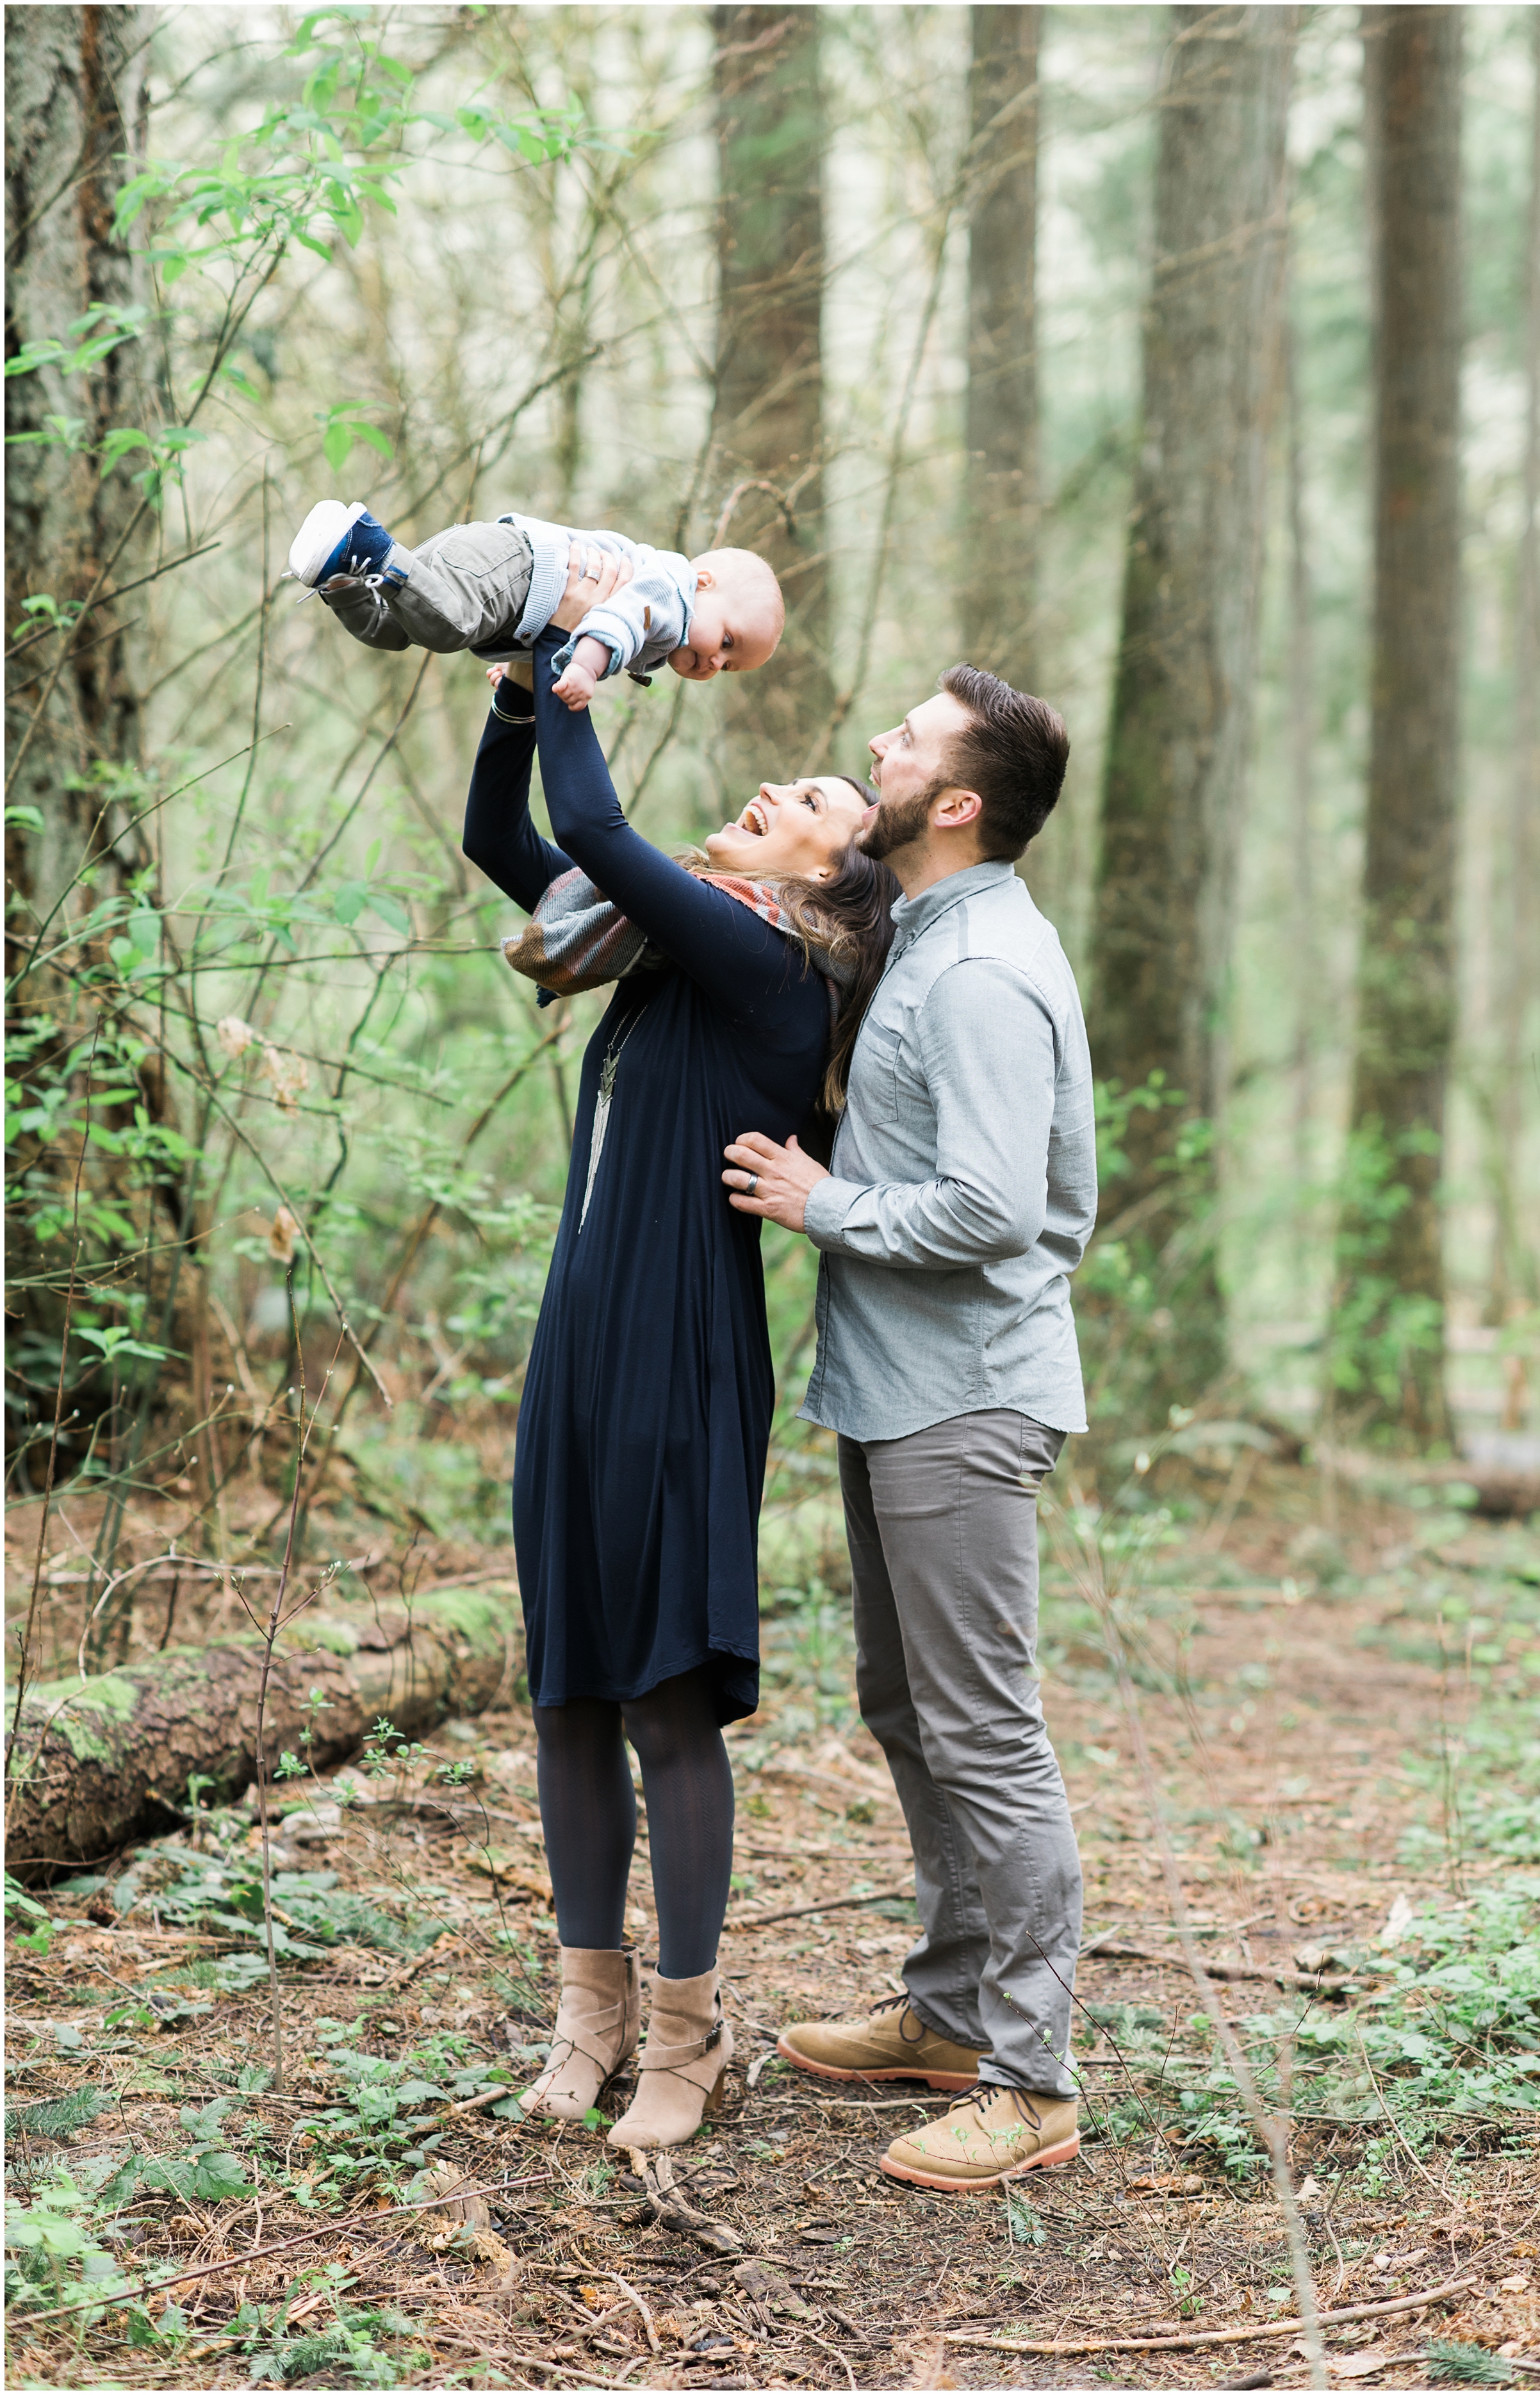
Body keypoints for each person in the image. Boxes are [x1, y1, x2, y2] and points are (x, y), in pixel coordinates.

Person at [463, 556, 896, 2151]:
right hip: (579, 1346)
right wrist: (519, 699)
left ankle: (690, 2038)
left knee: (661, 1703)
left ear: (826, 889)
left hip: (683, 1361)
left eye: (804, 805)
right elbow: (510, 838)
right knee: (569, 1691)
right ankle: (587, 2012)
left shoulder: (774, 976)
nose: (767, 790)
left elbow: (594, 824)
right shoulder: (667, 950)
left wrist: (587, 662)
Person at [721, 664, 1096, 2194]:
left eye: (909, 739)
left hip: (968, 1396)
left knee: (986, 1731)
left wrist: (827, 1204)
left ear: (955, 803)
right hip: (896, 1389)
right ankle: (947, 2014)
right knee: (907, 1707)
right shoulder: (926, 938)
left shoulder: (985, 970)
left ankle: (1031, 2080)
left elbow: (998, 1208)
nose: (874, 742)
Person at [285, 498, 782, 709]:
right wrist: (584, 669)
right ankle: (371, 544)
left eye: (730, 666)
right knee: (446, 628)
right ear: (704, 582)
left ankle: (341, 575)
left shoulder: (665, 627)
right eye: (728, 641)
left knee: (397, 631)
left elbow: (569, 624)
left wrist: (525, 665)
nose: (716, 662)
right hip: (513, 567)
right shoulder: (671, 593)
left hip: (494, 568)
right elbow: (616, 620)